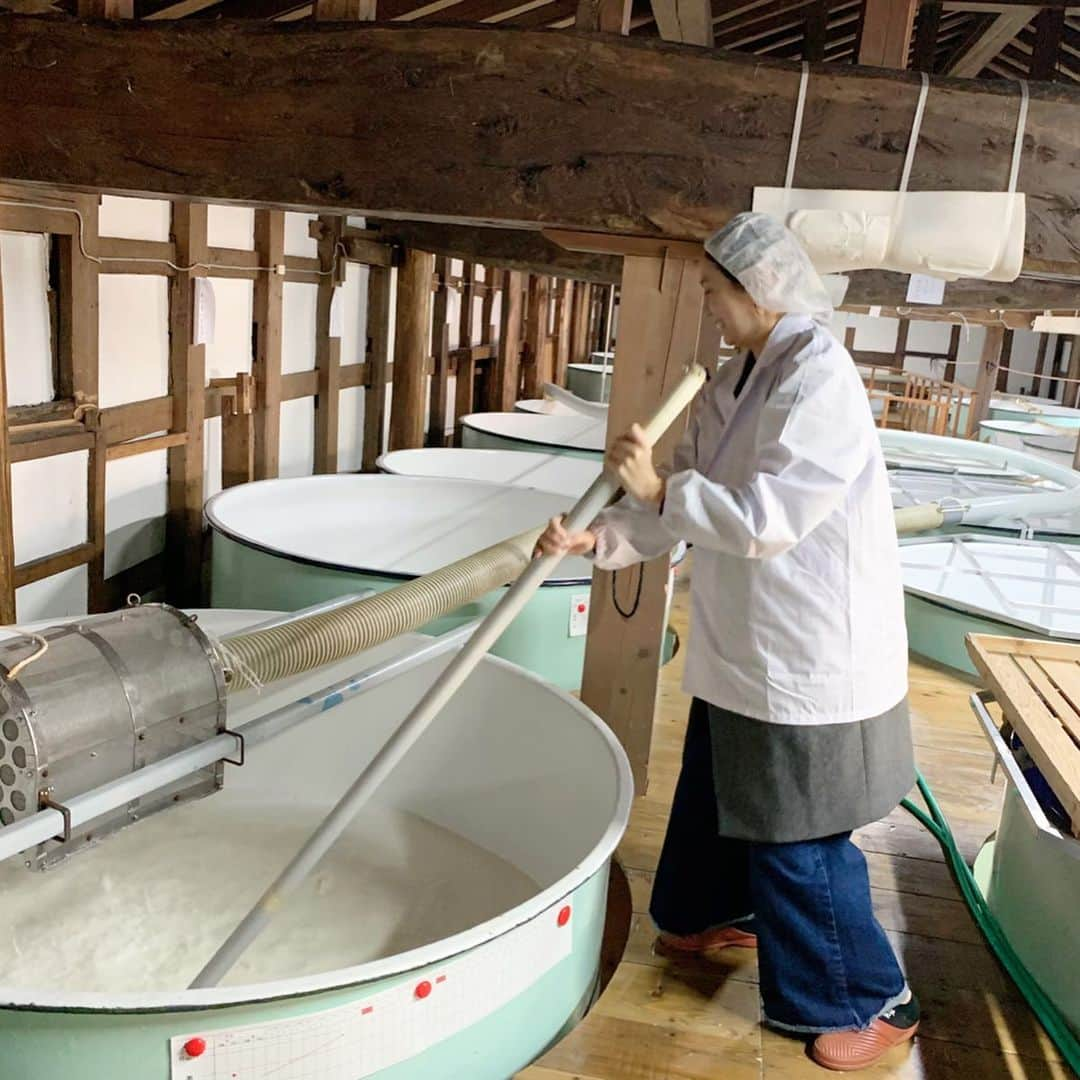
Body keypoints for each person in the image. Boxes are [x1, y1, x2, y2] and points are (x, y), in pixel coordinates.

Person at [536, 212, 919, 1072]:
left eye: (714, 290)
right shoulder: (741, 374)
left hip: (810, 649)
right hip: (748, 643)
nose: (708, 305)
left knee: (796, 830)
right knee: (717, 787)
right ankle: (716, 913)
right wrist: (599, 540)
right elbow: (684, 498)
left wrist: (660, 482)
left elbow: (766, 519)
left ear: (757, 290)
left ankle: (872, 997)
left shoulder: (819, 377)